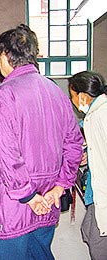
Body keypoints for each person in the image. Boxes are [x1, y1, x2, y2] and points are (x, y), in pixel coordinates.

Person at [0, 24, 84, 259]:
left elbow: (6, 155)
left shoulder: (0, 96)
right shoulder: (55, 91)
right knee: (40, 253)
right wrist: (59, 186)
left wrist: (28, 196)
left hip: (13, 204)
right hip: (48, 197)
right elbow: (74, 143)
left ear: (6, 56)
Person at [68, 71, 107, 260]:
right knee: (88, 230)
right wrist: (89, 155)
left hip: (104, 190)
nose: (73, 101)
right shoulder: (95, 113)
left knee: (98, 244)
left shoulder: (101, 115)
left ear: (83, 95)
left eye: (72, 96)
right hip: (97, 187)